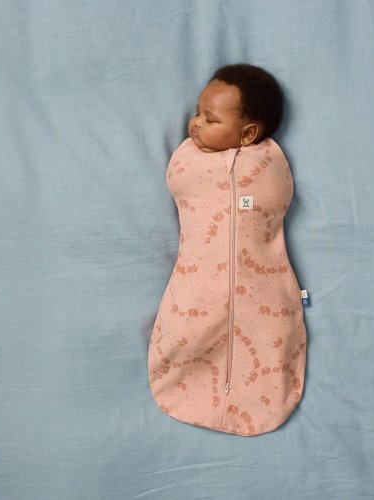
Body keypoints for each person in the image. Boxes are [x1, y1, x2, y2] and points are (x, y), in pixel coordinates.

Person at [148, 63, 307, 436]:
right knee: (187, 330)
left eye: (211, 119)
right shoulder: (188, 158)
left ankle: (260, 398)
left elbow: (276, 199)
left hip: (264, 291)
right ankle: (184, 382)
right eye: (197, 112)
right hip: (196, 289)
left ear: (248, 134)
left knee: (267, 340)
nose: (195, 123)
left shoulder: (270, 161)